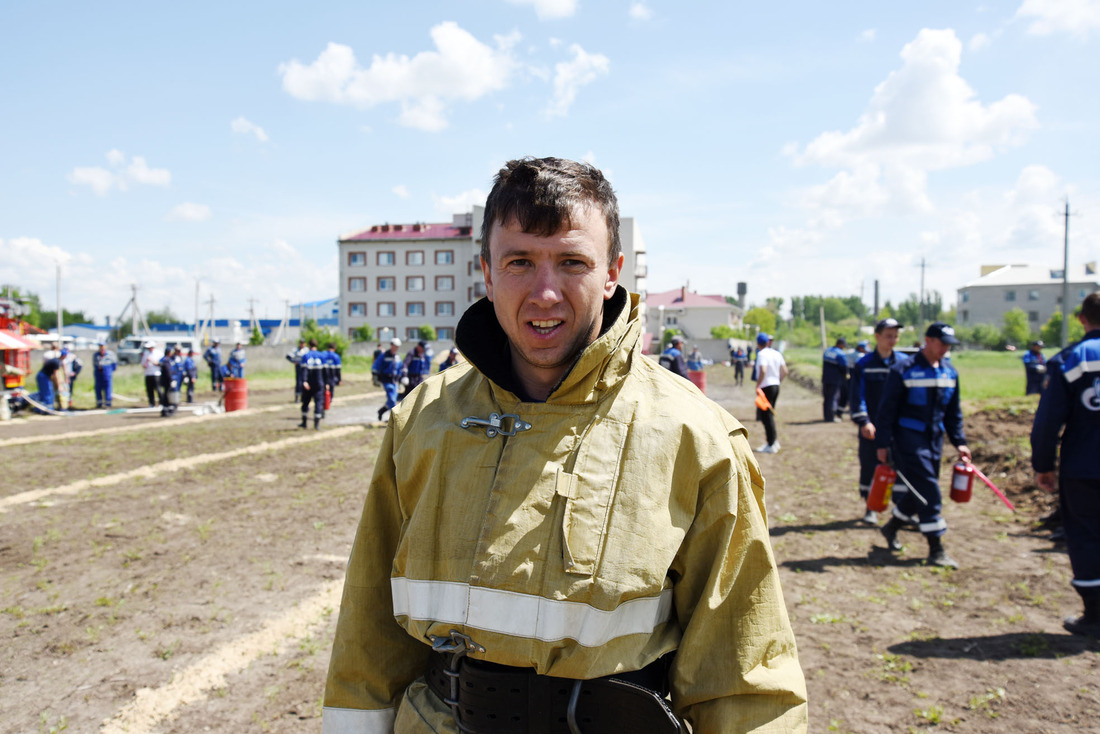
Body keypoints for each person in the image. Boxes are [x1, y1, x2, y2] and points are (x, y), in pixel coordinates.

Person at [323, 156, 807, 734]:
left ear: (612, 272)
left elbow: (744, 678)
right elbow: (368, 637)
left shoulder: (695, 439)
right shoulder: (423, 420)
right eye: (520, 261)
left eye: (572, 262)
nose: (545, 292)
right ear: (487, 272)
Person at [1030, 292, 1100, 636]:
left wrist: (1043, 463)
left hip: (1085, 465)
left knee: (1086, 533)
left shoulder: (1072, 359)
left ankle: (1095, 613)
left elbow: (1048, 420)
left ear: (1082, 319)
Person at [875, 322, 971, 569]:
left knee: (917, 490)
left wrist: (959, 442)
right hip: (908, 441)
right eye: (942, 343)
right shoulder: (903, 370)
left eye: (950, 345)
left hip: (934, 441)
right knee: (929, 491)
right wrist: (883, 444)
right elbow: (886, 411)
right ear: (928, 340)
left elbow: (953, 414)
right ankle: (936, 549)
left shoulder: (950, 373)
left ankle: (892, 527)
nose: (946, 349)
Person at [849, 318, 903, 524]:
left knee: (899, 465)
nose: (893, 340)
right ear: (877, 337)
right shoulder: (864, 365)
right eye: (888, 336)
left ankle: (900, 510)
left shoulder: (903, 363)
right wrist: (864, 421)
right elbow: (857, 395)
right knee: (870, 465)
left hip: (897, 428)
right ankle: (870, 506)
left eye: (896, 336)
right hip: (872, 426)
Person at [755, 331, 788, 454]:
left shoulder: (762, 354)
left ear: (758, 343)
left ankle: (771, 443)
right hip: (775, 385)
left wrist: (758, 386)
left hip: (766, 387)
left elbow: (763, 371)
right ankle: (774, 441)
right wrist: (777, 381)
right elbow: (785, 371)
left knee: (766, 416)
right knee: (770, 414)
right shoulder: (776, 353)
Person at [372, 337, 404, 421]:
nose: (396, 347)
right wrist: (375, 378)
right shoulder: (384, 355)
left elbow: (400, 368)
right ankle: (394, 420)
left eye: (398, 346)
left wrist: (402, 378)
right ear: (391, 345)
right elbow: (376, 366)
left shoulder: (397, 357)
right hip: (386, 380)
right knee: (392, 400)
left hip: (395, 381)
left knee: (392, 399)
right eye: (395, 345)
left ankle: (381, 411)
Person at [821, 337, 850, 422]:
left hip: (825, 378)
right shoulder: (840, 354)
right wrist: (846, 376)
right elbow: (844, 367)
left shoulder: (827, 351)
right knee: (833, 397)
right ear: (840, 344)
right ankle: (831, 417)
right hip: (835, 379)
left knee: (826, 397)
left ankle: (826, 416)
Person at [299, 339, 326, 430]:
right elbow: (325, 372)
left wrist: (304, 381)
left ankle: (304, 423)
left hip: (308, 384)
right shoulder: (322, 356)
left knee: (305, 402)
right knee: (318, 403)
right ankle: (316, 424)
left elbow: (304, 370)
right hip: (319, 383)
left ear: (309, 345)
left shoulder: (306, 356)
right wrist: (326, 383)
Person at [92, 340, 118, 408]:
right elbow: (94, 364)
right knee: (98, 388)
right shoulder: (96, 355)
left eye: (103, 346)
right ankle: (99, 403)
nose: (101, 348)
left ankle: (108, 403)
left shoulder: (110, 354)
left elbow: (114, 364)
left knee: (108, 388)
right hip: (98, 374)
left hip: (107, 373)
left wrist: (109, 371)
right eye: (100, 346)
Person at [141, 341, 161, 407]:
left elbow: (160, 363)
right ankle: (151, 403)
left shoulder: (158, 353)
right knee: (149, 390)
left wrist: (152, 361)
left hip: (156, 373)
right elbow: (143, 364)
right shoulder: (146, 353)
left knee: (158, 389)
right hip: (148, 374)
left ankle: (161, 403)